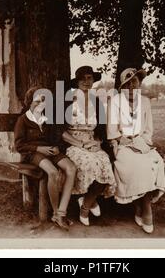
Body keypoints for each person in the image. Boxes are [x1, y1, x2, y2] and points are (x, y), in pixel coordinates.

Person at [107, 68, 165, 234]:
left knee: (156, 162)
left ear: (139, 84)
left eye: (135, 82)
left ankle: (141, 206)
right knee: (136, 165)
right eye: (128, 84)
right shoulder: (115, 101)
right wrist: (123, 140)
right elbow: (112, 131)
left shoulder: (145, 102)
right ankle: (146, 209)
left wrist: (143, 143)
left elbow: (148, 129)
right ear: (122, 86)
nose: (132, 87)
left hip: (141, 142)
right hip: (123, 144)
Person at [14, 87, 77, 231]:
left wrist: (56, 147)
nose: (40, 103)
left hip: (49, 151)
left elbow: (55, 138)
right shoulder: (23, 120)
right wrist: (38, 149)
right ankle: (56, 213)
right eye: (37, 100)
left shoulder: (47, 119)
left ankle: (62, 211)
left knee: (71, 168)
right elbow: (19, 145)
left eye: (44, 100)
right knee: (53, 172)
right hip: (31, 154)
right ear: (29, 101)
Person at [62, 66, 116, 226]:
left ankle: (86, 202)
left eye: (89, 78)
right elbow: (60, 132)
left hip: (92, 143)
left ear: (93, 81)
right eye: (83, 79)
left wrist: (97, 143)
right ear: (77, 82)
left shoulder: (97, 102)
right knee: (88, 164)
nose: (86, 82)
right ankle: (88, 205)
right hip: (73, 144)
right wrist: (80, 144)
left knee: (106, 163)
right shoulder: (67, 101)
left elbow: (101, 130)